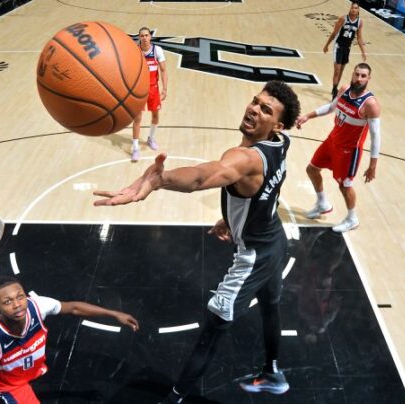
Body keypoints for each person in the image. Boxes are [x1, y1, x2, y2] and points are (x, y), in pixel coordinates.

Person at [93, 80, 300, 403]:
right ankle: (273, 372)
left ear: (278, 124)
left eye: (265, 110)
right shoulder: (281, 144)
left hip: (255, 256)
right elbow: (266, 191)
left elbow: (203, 177)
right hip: (275, 239)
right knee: (271, 308)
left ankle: (174, 399)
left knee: (213, 329)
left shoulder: (244, 158)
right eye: (255, 102)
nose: (253, 109)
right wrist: (231, 219)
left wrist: (159, 180)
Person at [0, 276, 139, 404]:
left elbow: (73, 308)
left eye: (20, 297)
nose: (17, 305)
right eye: (7, 302)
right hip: (10, 385)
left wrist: (115, 314)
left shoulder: (37, 305)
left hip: (33, 369)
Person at [296, 63, 381, 233]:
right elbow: (330, 107)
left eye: (363, 76)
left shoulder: (370, 104)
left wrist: (372, 166)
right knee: (312, 170)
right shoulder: (344, 89)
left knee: (345, 185)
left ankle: (352, 219)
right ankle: (322, 204)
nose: (359, 78)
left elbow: (375, 136)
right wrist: (308, 116)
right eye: (357, 74)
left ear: (368, 79)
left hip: (349, 151)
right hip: (332, 141)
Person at [131, 26, 168, 162]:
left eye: (146, 35)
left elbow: (163, 70)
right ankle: (135, 148)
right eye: (142, 36)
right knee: (137, 119)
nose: (144, 38)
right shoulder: (134, 51)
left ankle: (151, 138)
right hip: (139, 89)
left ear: (150, 37)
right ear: (139, 37)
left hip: (153, 88)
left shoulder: (157, 50)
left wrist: (164, 89)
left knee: (155, 116)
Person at [323, 1, 366, 101]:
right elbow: (334, 33)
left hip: (347, 48)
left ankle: (336, 86)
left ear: (358, 10)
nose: (353, 9)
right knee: (337, 70)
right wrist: (327, 45)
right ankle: (334, 91)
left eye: (356, 8)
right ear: (350, 8)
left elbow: (359, 38)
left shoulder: (359, 22)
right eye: (352, 7)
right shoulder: (343, 19)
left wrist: (363, 51)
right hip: (338, 46)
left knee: (341, 70)